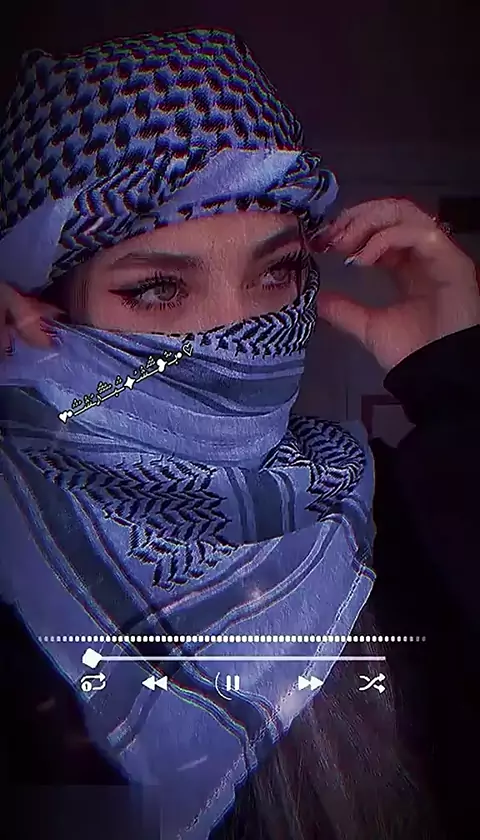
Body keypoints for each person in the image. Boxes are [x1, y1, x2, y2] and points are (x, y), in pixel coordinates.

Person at [0, 28, 479, 840]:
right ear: (49, 314)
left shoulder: (390, 506)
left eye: (277, 271)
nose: (236, 334)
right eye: (158, 288)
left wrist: (457, 380)